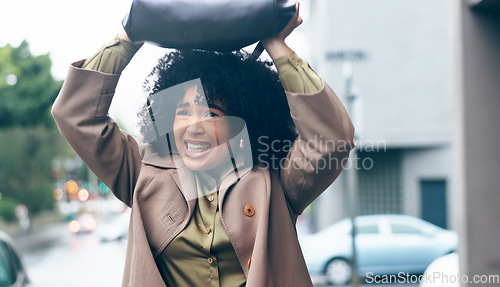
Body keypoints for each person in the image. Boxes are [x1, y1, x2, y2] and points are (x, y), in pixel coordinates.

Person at [52, 3, 355, 287]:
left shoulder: (279, 183)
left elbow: (331, 139)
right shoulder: (139, 175)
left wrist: (276, 45)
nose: (193, 127)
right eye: (182, 112)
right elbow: (76, 115)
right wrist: (128, 38)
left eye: (212, 113)